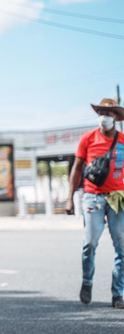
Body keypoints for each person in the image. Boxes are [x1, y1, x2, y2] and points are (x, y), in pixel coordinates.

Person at [66, 98, 124, 309]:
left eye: (108, 113)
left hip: (118, 199)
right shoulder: (88, 138)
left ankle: (118, 293)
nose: (104, 117)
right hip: (93, 197)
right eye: (101, 112)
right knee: (90, 243)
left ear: (116, 117)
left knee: (122, 247)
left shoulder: (123, 140)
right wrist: (69, 198)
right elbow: (77, 169)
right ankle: (87, 282)